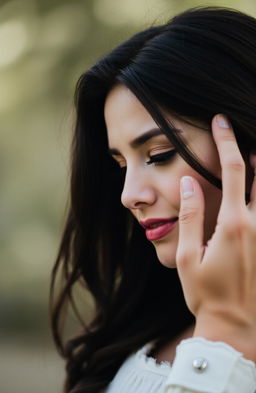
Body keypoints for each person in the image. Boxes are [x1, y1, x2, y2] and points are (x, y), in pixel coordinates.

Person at [50, 6, 256, 393]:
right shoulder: (151, 329)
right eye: (120, 165)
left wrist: (224, 334)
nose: (129, 196)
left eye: (159, 155)